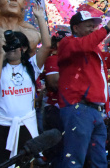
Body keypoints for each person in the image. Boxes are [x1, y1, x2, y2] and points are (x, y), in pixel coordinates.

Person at [0, 4, 51, 168]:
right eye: (8, 43)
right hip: (0, 125)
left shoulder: (31, 66)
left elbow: (47, 46)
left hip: (25, 125)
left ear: (23, 48)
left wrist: (41, 18)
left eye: (15, 44)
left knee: (24, 165)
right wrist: (1, 55)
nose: (11, 47)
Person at [57, 11, 110, 168]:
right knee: (74, 161)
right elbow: (83, 45)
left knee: (99, 161)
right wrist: (106, 29)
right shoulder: (67, 43)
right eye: (89, 26)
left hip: (96, 111)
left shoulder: (95, 52)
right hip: (78, 108)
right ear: (75, 28)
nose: (93, 29)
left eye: (94, 26)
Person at [41, 30, 70, 167]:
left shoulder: (68, 60)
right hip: (55, 109)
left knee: (67, 150)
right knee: (57, 151)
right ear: (58, 44)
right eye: (66, 42)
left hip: (67, 109)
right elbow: (53, 83)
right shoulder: (53, 59)